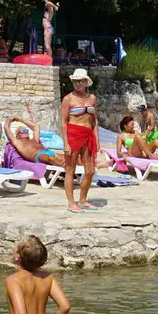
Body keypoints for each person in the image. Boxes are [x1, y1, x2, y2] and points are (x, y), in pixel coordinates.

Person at [60, 69, 98, 212]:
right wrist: (65, 143)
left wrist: (97, 139)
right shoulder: (68, 99)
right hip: (73, 134)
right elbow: (63, 122)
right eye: (75, 81)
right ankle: (71, 203)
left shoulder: (92, 98)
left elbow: (94, 121)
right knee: (70, 170)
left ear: (86, 82)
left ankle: (83, 200)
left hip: (88, 134)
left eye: (81, 81)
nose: (78, 83)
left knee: (90, 171)